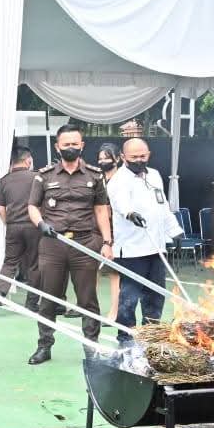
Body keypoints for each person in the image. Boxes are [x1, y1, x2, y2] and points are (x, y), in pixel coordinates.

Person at [26, 124, 112, 365]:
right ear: (57, 147)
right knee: (49, 298)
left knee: (87, 299)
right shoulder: (44, 175)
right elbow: (32, 206)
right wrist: (41, 223)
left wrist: (107, 242)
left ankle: (91, 348)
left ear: (82, 146)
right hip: (52, 244)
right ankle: (44, 346)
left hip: (84, 244)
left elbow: (101, 210)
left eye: (75, 144)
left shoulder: (95, 176)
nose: (71, 148)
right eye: (66, 144)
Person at [106, 138, 183, 344]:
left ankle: (152, 336)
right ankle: (126, 338)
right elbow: (120, 203)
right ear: (123, 157)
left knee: (155, 295)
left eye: (143, 156)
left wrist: (174, 231)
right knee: (129, 298)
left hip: (156, 248)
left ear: (148, 154)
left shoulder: (155, 175)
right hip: (132, 250)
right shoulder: (118, 180)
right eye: (134, 157)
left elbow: (162, 206)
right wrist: (130, 213)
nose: (139, 160)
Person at [0, 146, 40, 315]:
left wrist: (9, 224)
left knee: (9, 262)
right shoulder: (37, 177)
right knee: (34, 264)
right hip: (34, 225)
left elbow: (1, 210)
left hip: (13, 226)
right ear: (28, 160)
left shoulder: (4, 180)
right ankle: (31, 302)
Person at [94, 143, 122, 321]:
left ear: (117, 159)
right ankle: (91, 310)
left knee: (114, 273)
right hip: (96, 229)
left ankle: (114, 312)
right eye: (101, 158)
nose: (103, 161)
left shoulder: (122, 179)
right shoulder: (97, 179)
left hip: (117, 231)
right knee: (91, 270)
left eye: (107, 157)